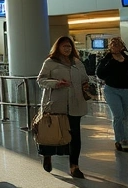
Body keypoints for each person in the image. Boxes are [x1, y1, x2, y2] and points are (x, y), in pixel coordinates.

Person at [37, 36, 90, 179]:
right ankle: (47, 155)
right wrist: (56, 83)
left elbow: (85, 78)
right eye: (64, 46)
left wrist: (86, 85)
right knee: (52, 133)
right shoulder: (50, 62)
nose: (67, 49)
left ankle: (74, 166)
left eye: (69, 46)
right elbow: (40, 80)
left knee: (75, 136)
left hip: (75, 103)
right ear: (58, 48)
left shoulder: (77, 63)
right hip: (55, 104)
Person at [95, 37, 128, 152]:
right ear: (110, 47)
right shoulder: (106, 59)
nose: (116, 47)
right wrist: (110, 62)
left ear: (122, 46)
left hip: (126, 90)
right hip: (111, 89)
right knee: (118, 115)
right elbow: (100, 74)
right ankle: (121, 140)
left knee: (126, 116)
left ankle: (125, 139)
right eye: (114, 45)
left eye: (118, 45)